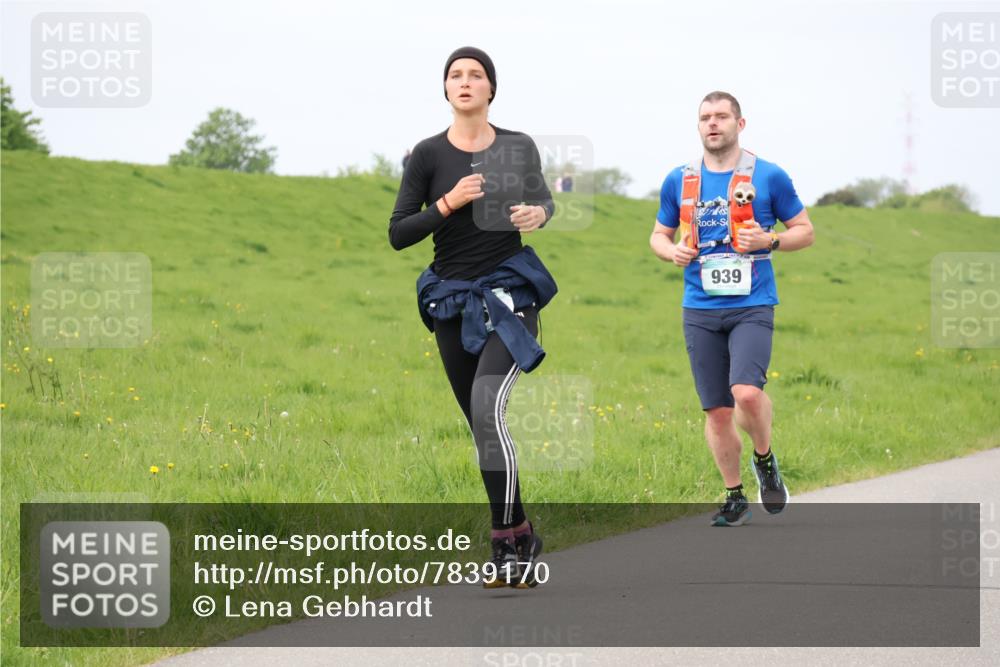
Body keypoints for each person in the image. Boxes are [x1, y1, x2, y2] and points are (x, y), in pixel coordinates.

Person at [389, 47, 556, 586]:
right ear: (445, 90)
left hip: (509, 295)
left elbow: (542, 202)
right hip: (452, 303)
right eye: (455, 76)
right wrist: (447, 203)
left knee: (487, 406)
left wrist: (539, 214)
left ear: (490, 89)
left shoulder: (516, 145)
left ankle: (506, 546)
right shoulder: (427, 156)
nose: (465, 82)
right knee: (481, 424)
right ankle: (523, 532)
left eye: (475, 75)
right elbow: (398, 233)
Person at [649, 91, 815, 526]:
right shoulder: (679, 180)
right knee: (718, 410)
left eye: (722, 116)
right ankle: (734, 495)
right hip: (699, 307)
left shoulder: (769, 176)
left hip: (752, 304)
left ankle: (764, 459)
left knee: (746, 393)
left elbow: (805, 231)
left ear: (740, 124)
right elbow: (658, 235)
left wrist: (771, 240)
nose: (713, 123)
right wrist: (672, 253)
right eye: (705, 117)